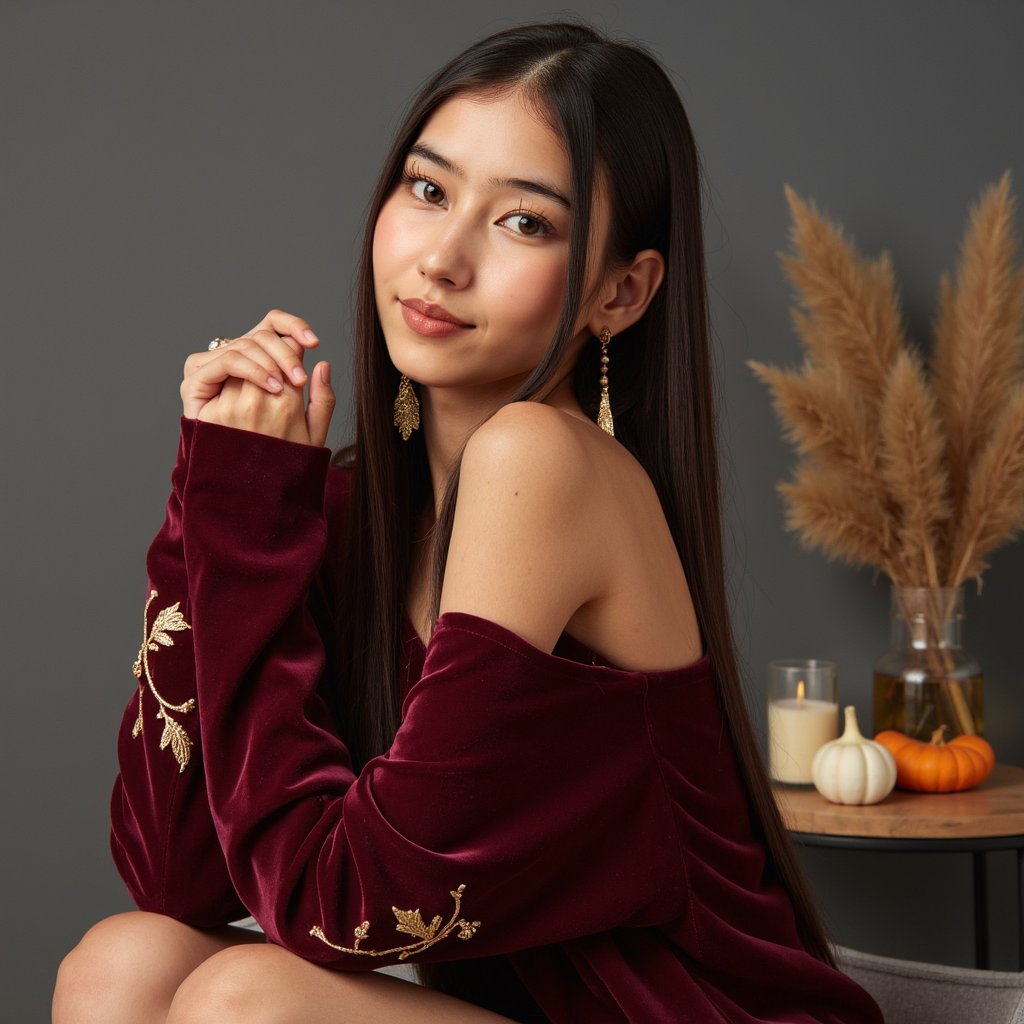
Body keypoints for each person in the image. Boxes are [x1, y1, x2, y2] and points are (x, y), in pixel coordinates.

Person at [53, 21, 884, 1024]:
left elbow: (347, 910)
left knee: (247, 999)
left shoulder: (544, 462)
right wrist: (225, 497)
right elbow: (174, 868)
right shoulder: (345, 513)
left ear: (621, 293)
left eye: (524, 222)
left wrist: (239, 508)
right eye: (428, 189)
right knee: (122, 961)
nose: (442, 258)